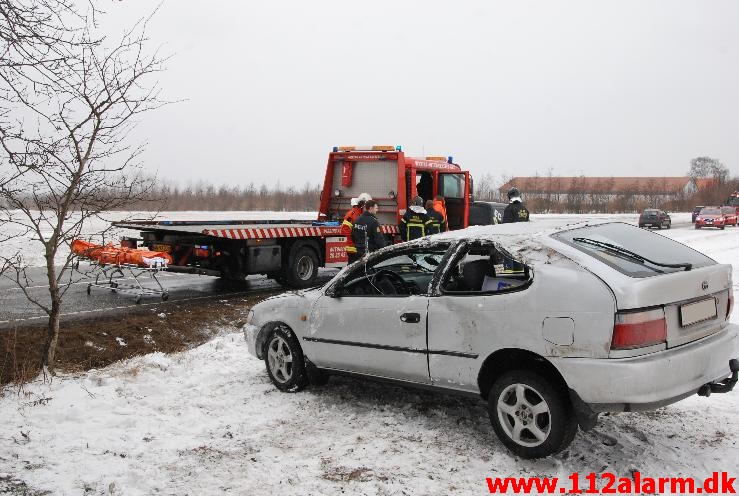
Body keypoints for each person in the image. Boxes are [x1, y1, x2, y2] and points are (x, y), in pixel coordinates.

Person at [340, 197, 365, 264]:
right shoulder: (351, 214)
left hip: (358, 246)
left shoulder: (359, 214)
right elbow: (345, 229)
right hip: (353, 247)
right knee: (353, 266)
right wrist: (354, 239)